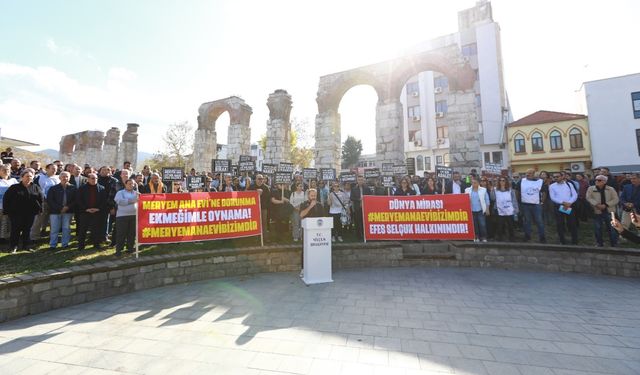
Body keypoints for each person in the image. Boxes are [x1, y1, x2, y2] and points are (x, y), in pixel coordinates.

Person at [3, 169, 43, 252]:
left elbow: (40, 199)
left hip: (30, 213)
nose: (29, 178)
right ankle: (13, 247)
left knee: (27, 230)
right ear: (22, 177)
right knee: (15, 230)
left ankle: (26, 246)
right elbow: (6, 199)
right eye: (27, 176)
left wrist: (40, 209)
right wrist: (6, 211)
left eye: (30, 176)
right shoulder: (14, 187)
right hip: (16, 213)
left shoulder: (35, 187)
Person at [76, 173, 108, 250]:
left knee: (96, 229)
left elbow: (104, 201)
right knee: (83, 229)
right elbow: (79, 200)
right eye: (92, 178)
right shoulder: (82, 188)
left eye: (96, 178)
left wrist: (98, 209)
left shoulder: (102, 188)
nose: (94, 180)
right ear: (88, 179)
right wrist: (86, 209)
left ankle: (96, 244)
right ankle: (81, 245)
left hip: (97, 212)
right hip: (85, 212)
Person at [586, 175, 619, 247]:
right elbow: (588, 198)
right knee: (597, 228)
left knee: (612, 228)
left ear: (605, 182)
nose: (597, 181)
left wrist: (606, 205)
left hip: (610, 211)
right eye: (596, 180)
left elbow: (616, 199)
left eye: (599, 180)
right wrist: (596, 204)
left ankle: (614, 243)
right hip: (597, 211)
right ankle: (599, 243)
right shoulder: (591, 188)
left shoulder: (611, 189)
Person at [47, 171, 77, 249]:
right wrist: (60, 208)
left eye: (67, 176)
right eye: (63, 176)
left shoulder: (73, 188)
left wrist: (67, 207)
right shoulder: (53, 188)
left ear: (69, 178)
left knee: (66, 229)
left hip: (68, 211)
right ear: (59, 178)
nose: (65, 178)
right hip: (55, 212)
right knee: (54, 229)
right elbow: (50, 200)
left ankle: (65, 244)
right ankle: (53, 245)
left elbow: (76, 200)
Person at [516, 168, 547, 243]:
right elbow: (517, 191)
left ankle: (542, 237)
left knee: (539, 221)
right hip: (525, 205)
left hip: (536, 205)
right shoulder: (522, 181)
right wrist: (519, 201)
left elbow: (544, 192)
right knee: (527, 221)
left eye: (529, 173)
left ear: (534, 174)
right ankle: (527, 236)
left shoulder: (540, 182)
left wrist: (542, 202)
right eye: (526, 173)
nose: (527, 174)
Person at [31, 163, 60, 241]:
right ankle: (33, 237)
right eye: (53, 168)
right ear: (47, 169)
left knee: (53, 221)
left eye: (56, 169)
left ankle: (52, 237)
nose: (55, 170)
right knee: (38, 219)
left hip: (54, 202)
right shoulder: (40, 177)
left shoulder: (57, 178)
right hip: (42, 201)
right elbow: (34, 189)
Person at [549, 171, 578, 245]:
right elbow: (553, 197)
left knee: (572, 223)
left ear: (562, 177)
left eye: (557, 176)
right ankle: (562, 240)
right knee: (560, 224)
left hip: (568, 206)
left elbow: (574, 195)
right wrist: (562, 202)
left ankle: (574, 240)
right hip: (559, 206)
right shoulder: (552, 186)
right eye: (554, 177)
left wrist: (569, 203)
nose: (556, 178)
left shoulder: (569, 184)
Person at [114, 178, 139, 256]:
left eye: (133, 184)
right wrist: (132, 201)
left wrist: (129, 200)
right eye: (129, 184)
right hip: (122, 216)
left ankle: (130, 248)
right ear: (125, 184)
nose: (131, 185)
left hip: (134, 215)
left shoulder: (137, 193)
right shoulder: (120, 192)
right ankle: (119, 250)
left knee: (132, 234)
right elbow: (120, 201)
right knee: (121, 234)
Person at [491, 177, 518, 241]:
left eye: (503, 180)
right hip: (499, 210)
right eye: (500, 180)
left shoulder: (510, 190)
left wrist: (516, 210)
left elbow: (514, 200)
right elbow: (493, 198)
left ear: (506, 182)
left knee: (510, 225)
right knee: (500, 225)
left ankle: (512, 237)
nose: (502, 182)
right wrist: (492, 191)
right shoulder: (495, 190)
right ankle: (500, 237)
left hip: (510, 210)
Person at [465, 176, 490, 242]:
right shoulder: (467, 190)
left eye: (475, 183)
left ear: (478, 183)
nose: (473, 184)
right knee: (474, 225)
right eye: (472, 182)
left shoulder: (483, 190)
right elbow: (465, 199)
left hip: (481, 210)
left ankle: (484, 237)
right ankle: (476, 237)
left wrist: (487, 209)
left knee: (482, 224)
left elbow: (487, 200)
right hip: (472, 210)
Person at [350, 175, 372, 241]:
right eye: (359, 180)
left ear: (363, 180)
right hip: (357, 208)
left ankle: (364, 234)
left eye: (361, 180)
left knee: (364, 222)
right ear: (357, 181)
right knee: (357, 222)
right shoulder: (354, 189)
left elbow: (370, 196)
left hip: (365, 208)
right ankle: (358, 235)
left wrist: (365, 199)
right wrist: (359, 199)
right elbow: (351, 198)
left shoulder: (367, 188)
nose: (360, 181)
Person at [0, 164, 18, 244]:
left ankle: (3, 238)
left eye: (8, 170)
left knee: (6, 222)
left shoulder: (13, 180)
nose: (6, 171)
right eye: (4, 169)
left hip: (10, 206)